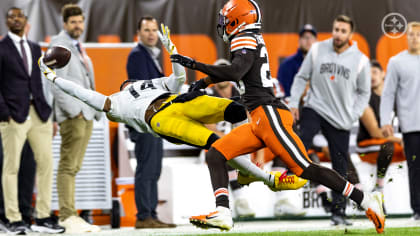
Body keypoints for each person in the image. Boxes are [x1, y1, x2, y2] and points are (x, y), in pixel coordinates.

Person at [170, 0, 384, 233]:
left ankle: (365, 199)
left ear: (238, 19)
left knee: (305, 168)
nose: (223, 24)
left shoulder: (244, 38)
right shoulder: (249, 37)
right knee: (216, 154)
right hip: (259, 119)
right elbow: (242, 72)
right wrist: (203, 82)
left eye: (226, 19)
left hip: (269, 115)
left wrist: (195, 65)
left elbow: (236, 72)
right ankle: (222, 212)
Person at [39, 24, 301, 210]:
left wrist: (172, 52)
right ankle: (270, 179)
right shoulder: (117, 102)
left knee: (238, 109)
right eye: (126, 82)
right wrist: (56, 80)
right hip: (162, 120)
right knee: (216, 145)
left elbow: (177, 80)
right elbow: (87, 95)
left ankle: (254, 167)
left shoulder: (151, 84)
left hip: (179, 103)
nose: (129, 83)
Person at [288, 14, 371, 226]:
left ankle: (338, 212)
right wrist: (294, 102)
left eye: (343, 31)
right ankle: (285, 181)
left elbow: (364, 93)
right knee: (300, 142)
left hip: (341, 118)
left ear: (350, 34)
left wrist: (353, 114)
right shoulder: (317, 50)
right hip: (315, 107)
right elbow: (301, 77)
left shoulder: (361, 60)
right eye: (336, 29)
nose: (338, 34)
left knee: (340, 168)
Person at [0, 7, 64, 234]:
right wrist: (4, 112)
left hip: (39, 115)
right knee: (11, 168)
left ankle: (43, 216)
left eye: (19, 16)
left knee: (46, 164)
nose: (16, 19)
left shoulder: (36, 48)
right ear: (7, 22)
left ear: (26, 21)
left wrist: (50, 116)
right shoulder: (1, 48)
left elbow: (40, 83)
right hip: (13, 116)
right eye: (11, 16)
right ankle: (12, 218)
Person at [49, 4, 101, 233]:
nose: (78, 25)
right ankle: (67, 216)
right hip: (74, 116)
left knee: (74, 166)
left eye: (80, 21)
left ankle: (72, 214)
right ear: (64, 24)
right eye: (73, 22)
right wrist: (74, 111)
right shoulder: (58, 45)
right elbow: (53, 81)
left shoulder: (77, 45)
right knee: (68, 166)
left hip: (86, 114)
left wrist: (93, 108)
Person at [126, 16, 172, 228]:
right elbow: (144, 90)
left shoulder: (153, 55)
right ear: (139, 33)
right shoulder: (137, 56)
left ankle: (151, 214)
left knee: (154, 169)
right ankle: (144, 216)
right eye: (147, 30)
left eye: (154, 29)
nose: (152, 33)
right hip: (145, 120)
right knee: (147, 169)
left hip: (154, 121)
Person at [380, 21, 420, 221]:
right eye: (411, 34)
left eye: (418, 34)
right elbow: (387, 94)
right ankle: (418, 210)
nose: (415, 38)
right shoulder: (396, 62)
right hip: (411, 125)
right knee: (415, 168)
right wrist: (385, 120)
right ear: (406, 37)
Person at [206, 59, 255, 218]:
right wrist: (232, 141)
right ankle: (240, 199)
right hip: (214, 141)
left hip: (239, 141)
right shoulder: (209, 95)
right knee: (224, 150)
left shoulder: (240, 93)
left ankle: (283, 199)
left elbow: (251, 122)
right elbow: (209, 127)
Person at [356, 60, 404, 196]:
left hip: (391, 142)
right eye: (368, 73)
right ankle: (379, 186)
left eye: (375, 72)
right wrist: (399, 140)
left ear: (383, 74)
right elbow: (375, 132)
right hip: (366, 145)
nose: (371, 76)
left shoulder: (395, 97)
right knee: (388, 146)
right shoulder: (364, 98)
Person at [277, 24, 317, 98]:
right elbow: (284, 92)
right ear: (299, 41)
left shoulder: (321, 63)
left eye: (311, 37)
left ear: (316, 41)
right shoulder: (287, 64)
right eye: (305, 37)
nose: (308, 40)